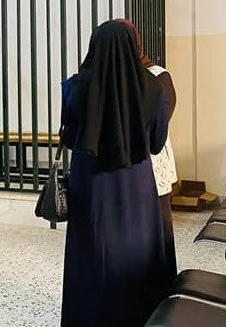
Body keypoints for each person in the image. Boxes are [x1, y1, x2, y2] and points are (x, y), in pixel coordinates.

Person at [60, 20, 170, 327]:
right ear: (134, 46)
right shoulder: (153, 88)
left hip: (90, 182)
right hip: (136, 182)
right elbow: (157, 143)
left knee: (92, 249)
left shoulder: (75, 86)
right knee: (136, 249)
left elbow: (69, 138)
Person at [116, 19, 179, 285]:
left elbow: (164, 116)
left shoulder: (157, 75)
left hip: (152, 155)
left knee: (158, 221)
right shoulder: (111, 73)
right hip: (121, 160)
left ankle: (162, 280)